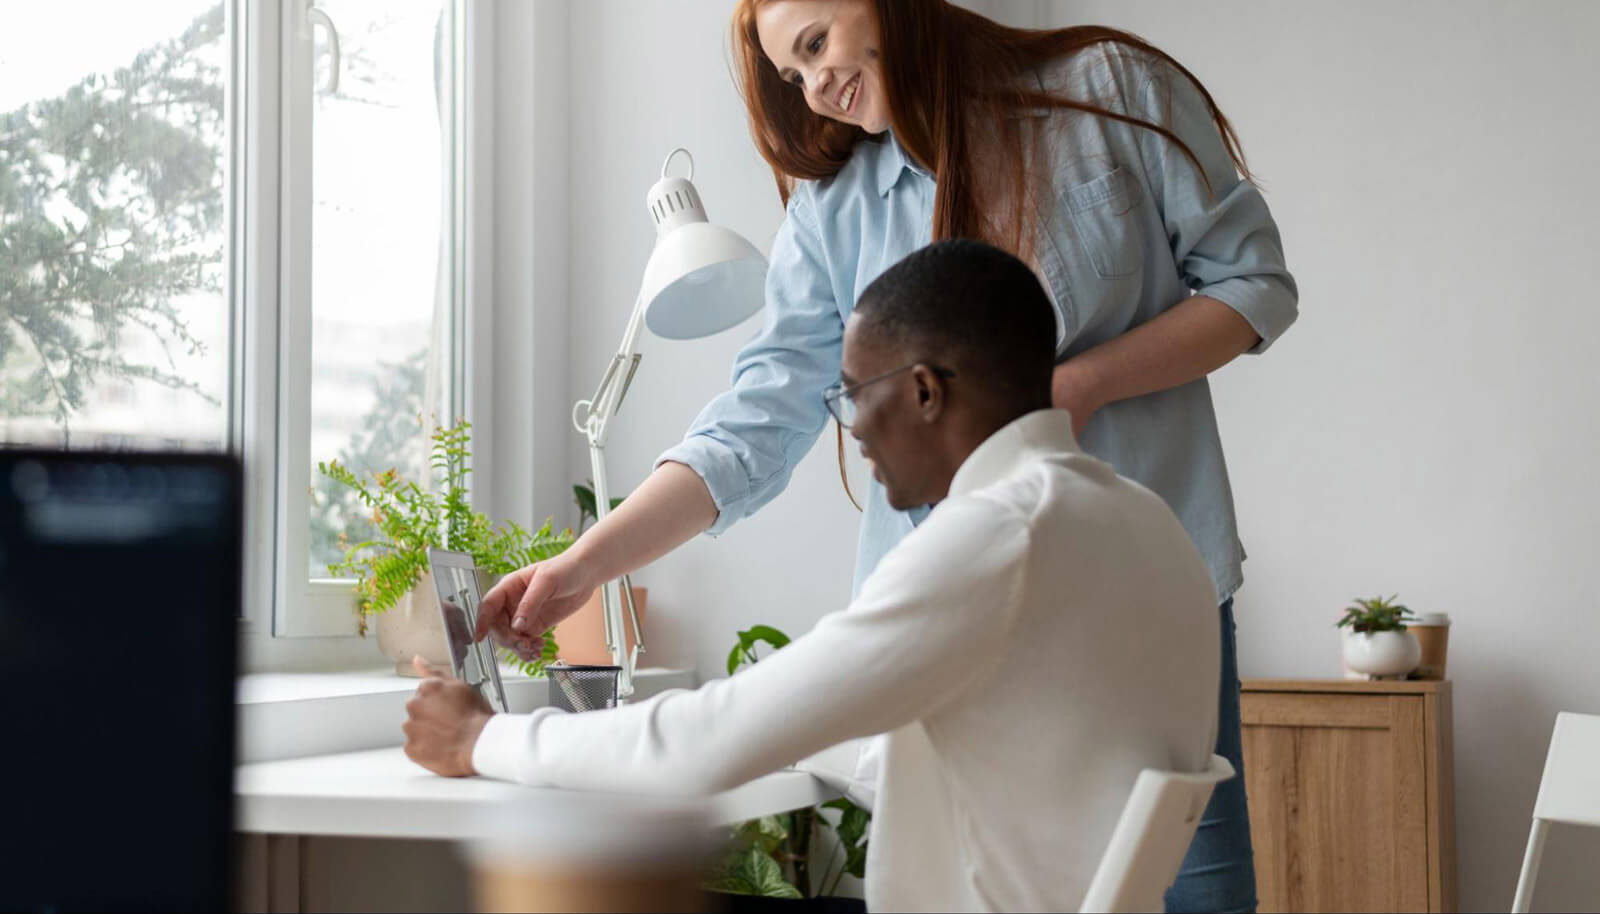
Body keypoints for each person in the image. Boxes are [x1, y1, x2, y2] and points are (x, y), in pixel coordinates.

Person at [475, 0, 1297, 912]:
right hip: (950, 618)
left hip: (1131, 599)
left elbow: (1253, 287)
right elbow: (755, 423)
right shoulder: (835, 213)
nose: (814, 86)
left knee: (1193, 886)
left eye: (816, 44)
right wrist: (580, 567)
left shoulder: (1107, 92)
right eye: (792, 74)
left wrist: (1076, 386)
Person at [408, 239, 1222, 913]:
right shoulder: (1146, 525)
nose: (854, 430)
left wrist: (482, 737)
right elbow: (1016, 743)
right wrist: (802, 733)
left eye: (853, 396)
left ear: (925, 391)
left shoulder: (998, 535)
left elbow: (696, 752)